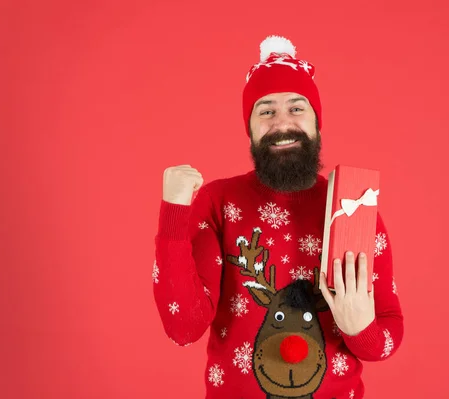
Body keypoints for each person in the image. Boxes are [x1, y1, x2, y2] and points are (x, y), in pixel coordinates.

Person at [152, 35, 404, 399]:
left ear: (318, 122)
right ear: (250, 129)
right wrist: (174, 212)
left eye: (297, 108)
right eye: (266, 110)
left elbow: (386, 339)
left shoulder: (352, 204)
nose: (282, 123)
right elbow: (183, 327)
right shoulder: (218, 201)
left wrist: (360, 327)